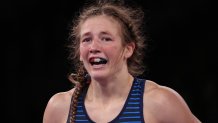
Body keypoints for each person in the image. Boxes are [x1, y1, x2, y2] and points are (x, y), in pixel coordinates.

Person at [43, 0, 201, 123]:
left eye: (106, 38)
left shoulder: (159, 101)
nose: (94, 47)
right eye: (87, 39)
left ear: (128, 49)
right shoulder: (60, 107)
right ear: (79, 52)